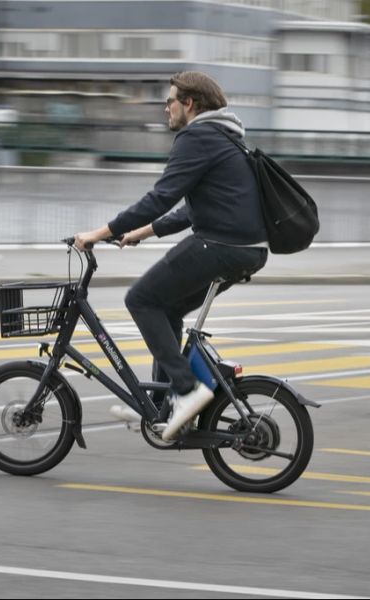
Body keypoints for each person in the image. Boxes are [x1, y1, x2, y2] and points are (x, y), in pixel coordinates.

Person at [74, 71, 268, 441]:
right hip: (248, 248)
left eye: (170, 100)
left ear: (189, 104)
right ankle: (167, 410)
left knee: (140, 299)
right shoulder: (225, 137)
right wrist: (141, 233)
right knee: (167, 309)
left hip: (221, 246)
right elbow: (192, 211)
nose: (166, 107)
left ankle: (186, 390)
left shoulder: (196, 136)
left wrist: (99, 233)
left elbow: (160, 198)